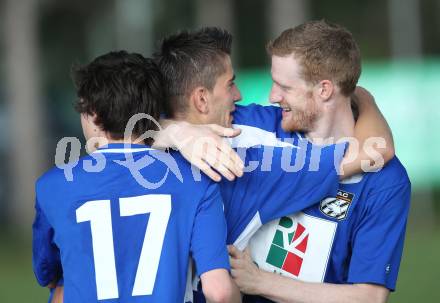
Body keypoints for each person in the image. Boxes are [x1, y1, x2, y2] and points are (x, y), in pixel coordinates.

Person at [32, 51, 241, 303]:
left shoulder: (52, 186)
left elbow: (47, 274)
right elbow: (219, 292)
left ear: (95, 114)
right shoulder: (196, 180)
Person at [228, 20, 411, 303]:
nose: (272, 96)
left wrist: (262, 282)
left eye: (284, 87)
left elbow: (369, 297)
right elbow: (161, 119)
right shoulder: (258, 128)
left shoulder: (386, 182)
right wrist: (178, 131)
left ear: (325, 90)